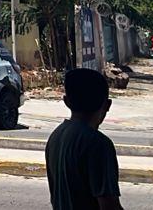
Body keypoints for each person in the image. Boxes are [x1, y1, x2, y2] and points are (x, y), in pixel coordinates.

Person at [46, 68, 122, 210]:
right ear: (107, 105)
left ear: (66, 101)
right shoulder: (98, 144)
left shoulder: (56, 136)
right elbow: (109, 205)